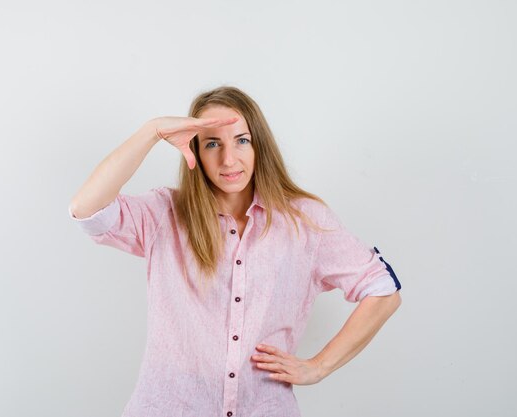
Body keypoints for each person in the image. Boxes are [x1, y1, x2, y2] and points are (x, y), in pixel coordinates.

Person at [68, 86, 402, 417]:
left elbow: (383, 290)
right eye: (213, 143)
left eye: (241, 140)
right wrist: (151, 131)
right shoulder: (165, 213)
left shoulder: (305, 221)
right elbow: (87, 210)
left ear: (259, 146)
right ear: (195, 152)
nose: (229, 159)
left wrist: (318, 367)